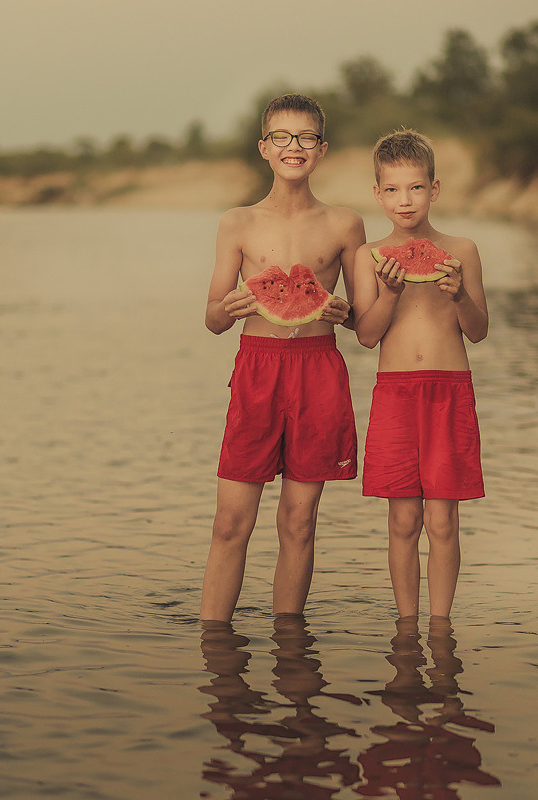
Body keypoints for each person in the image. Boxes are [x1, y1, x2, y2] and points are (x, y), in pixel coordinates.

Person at [199, 93, 366, 623]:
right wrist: (232, 306)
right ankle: (213, 644)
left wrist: (346, 310)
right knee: (231, 522)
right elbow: (212, 316)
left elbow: (365, 321)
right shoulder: (238, 222)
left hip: (319, 368)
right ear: (264, 149)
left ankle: (290, 649)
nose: (294, 147)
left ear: (321, 150)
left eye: (306, 138)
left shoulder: (345, 225)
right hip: (257, 367)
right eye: (282, 138)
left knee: (299, 522)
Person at [350, 128, 488, 619]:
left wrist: (459, 296)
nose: (404, 200)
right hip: (394, 394)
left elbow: (478, 331)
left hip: (450, 391)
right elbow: (366, 336)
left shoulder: (463, 250)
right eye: (392, 189)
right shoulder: (367, 257)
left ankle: (441, 626)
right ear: (377, 193)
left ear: (434, 189)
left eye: (414, 188)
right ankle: (407, 629)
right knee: (403, 522)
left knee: (444, 522)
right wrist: (388, 295)